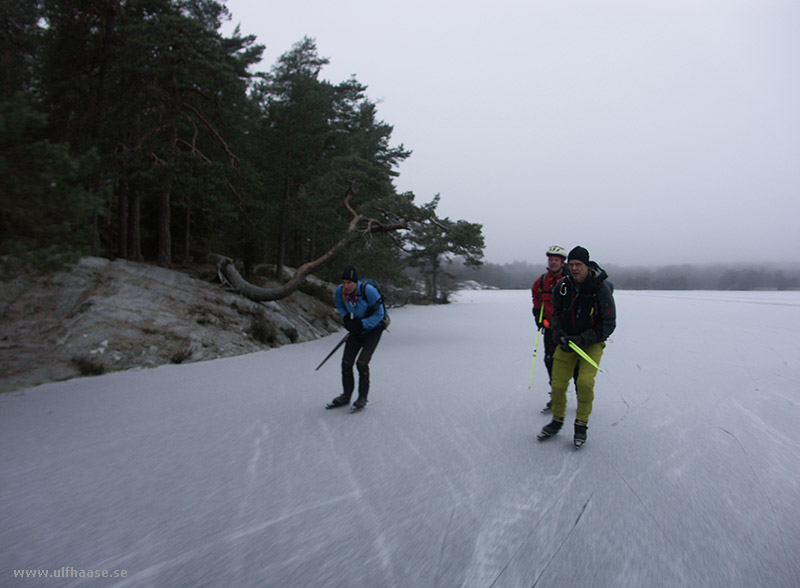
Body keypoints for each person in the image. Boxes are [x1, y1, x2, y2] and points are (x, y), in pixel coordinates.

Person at [537, 246, 616, 448]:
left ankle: (581, 424)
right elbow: (555, 315)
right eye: (571, 264)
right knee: (557, 384)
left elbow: (608, 324)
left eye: (578, 264)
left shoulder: (601, 289)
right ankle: (557, 420)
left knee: (585, 383)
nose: (574, 268)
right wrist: (558, 333)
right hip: (566, 342)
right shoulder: (562, 286)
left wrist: (583, 339)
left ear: (586, 265)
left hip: (591, 344)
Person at [326, 265, 386, 411]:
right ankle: (346, 395)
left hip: (373, 330)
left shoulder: (368, 291)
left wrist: (362, 324)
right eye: (343, 282)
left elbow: (380, 314)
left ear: (356, 282)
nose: (345, 286)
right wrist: (346, 319)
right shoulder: (340, 291)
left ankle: (362, 398)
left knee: (362, 363)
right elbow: (340, 306)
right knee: (346, 363)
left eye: (349, 283)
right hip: (356, 331)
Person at [531, 245, 568, 413]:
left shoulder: (569, 278)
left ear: (562, 262)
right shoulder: (543, 280)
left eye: (556, 260)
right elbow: (536, 296)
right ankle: (556, 396)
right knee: (550, 361)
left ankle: (579, 393)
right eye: (551, 259)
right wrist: (537, 312)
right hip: (550, 328)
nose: (553, 262)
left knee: (573, 364)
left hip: (569, 330)